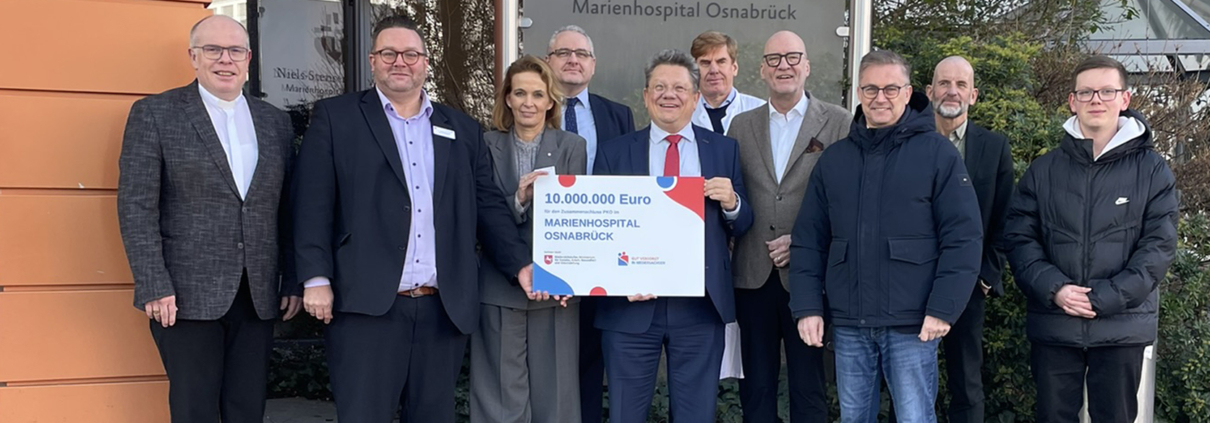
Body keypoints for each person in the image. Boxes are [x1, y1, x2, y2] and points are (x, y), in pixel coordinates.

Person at [291, 15, 534, 423]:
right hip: (365, 306)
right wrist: (316, 278)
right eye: (389, 53)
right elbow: (311, 203)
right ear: (372, 60)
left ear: (425, 62)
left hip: (442, 307)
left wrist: (520, 265)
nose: (399, 62)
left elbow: (488, 205)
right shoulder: (336, 118)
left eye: (410, 54)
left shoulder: (462, 129)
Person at [117, 14, 301, 423]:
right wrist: (153, 283)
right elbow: (137, 206)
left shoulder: (275, 122)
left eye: (235, 50)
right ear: (193, 57)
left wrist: (291, 279)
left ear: (248, 58)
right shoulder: (156, 114)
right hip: (183, 295)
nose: (225, 59)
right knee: (194, 409)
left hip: (257, 294)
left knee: (246, 409)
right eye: (213, 50)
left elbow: (287, 209)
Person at [789, 49, 983, 423]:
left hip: (913, 323)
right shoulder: (835, 160)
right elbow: (809, 239)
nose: (881, 98)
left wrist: (943, 308)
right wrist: (808, 306)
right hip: (850, 323)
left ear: (908, 93)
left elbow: (963, 238)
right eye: (871, 89)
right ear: (859, 93)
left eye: (891, 89)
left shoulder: (938, 154)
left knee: (914, 418)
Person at [1004, 55, 1177, 423]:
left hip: (1121, 326)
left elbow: (1157, 249)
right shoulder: (1043, 170)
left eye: (1106, 91)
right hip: (1056, 323)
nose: (1096, 99)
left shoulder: (1153, 171)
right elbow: (1020, 240)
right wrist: (1056, 289)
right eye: (1086, 92)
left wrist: (1103, 298)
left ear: (1125, 99)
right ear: (1072, 101)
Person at [593, 49, 754, 423]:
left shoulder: (724, 149)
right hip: (630, 306)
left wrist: (732, 202)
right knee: (624, 415)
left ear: (695, 98)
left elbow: (744, 223)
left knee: (696, 415)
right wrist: (619, 280)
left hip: (700, 307)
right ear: (646, 95)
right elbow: (601, 231)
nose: (669, 95)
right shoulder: (614, 153)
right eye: (660, 87)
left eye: (680, 88)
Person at [726, 30, 850, 423]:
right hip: (752, 276)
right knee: (756, 390)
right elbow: (735, 195)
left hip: (810, 278)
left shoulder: (839, 123)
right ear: (762, 70)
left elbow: (847, 201)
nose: (784, 66)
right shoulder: (740, 126)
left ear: (807, 66)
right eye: (774, 59)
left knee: (809, 388)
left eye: (793, 57)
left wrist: (801, 240)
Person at [470, 55, 587, 423]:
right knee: (500, 398)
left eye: (538, 94)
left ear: (551, 101)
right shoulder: (485, 144)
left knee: (556, 397)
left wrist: (571, 276)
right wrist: (519, 198)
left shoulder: (572, 146)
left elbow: (577, 218)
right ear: (507, 98)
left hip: (555, 288)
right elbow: (482, 212)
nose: (528, 103)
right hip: (499, 286)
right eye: (519, 93)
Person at [545, 25, 635, 423]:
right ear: (548, 61)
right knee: (548, 357)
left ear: (593, 65)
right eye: (563, 53)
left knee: (593, 356)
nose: (573, 60)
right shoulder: (532, 108)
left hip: (604, 255)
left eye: (581, 54)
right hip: (549, 253)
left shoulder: (618, 115)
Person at [924, 55, 1015, 423]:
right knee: (909, 383)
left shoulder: (993, 147)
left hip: (968, 285)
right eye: (944, 83)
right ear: (929, 91)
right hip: (911, 283)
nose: (952, 91)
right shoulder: (909, 142)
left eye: (961, 85)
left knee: (966, 383)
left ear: (973, 95)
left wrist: (984, 278)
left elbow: (1005, 219)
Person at [690, 30, 765, 135]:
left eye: (721, 62)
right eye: (705, 63)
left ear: (734, 68)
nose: (714, 70)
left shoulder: (761, 111)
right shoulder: (682, 113)